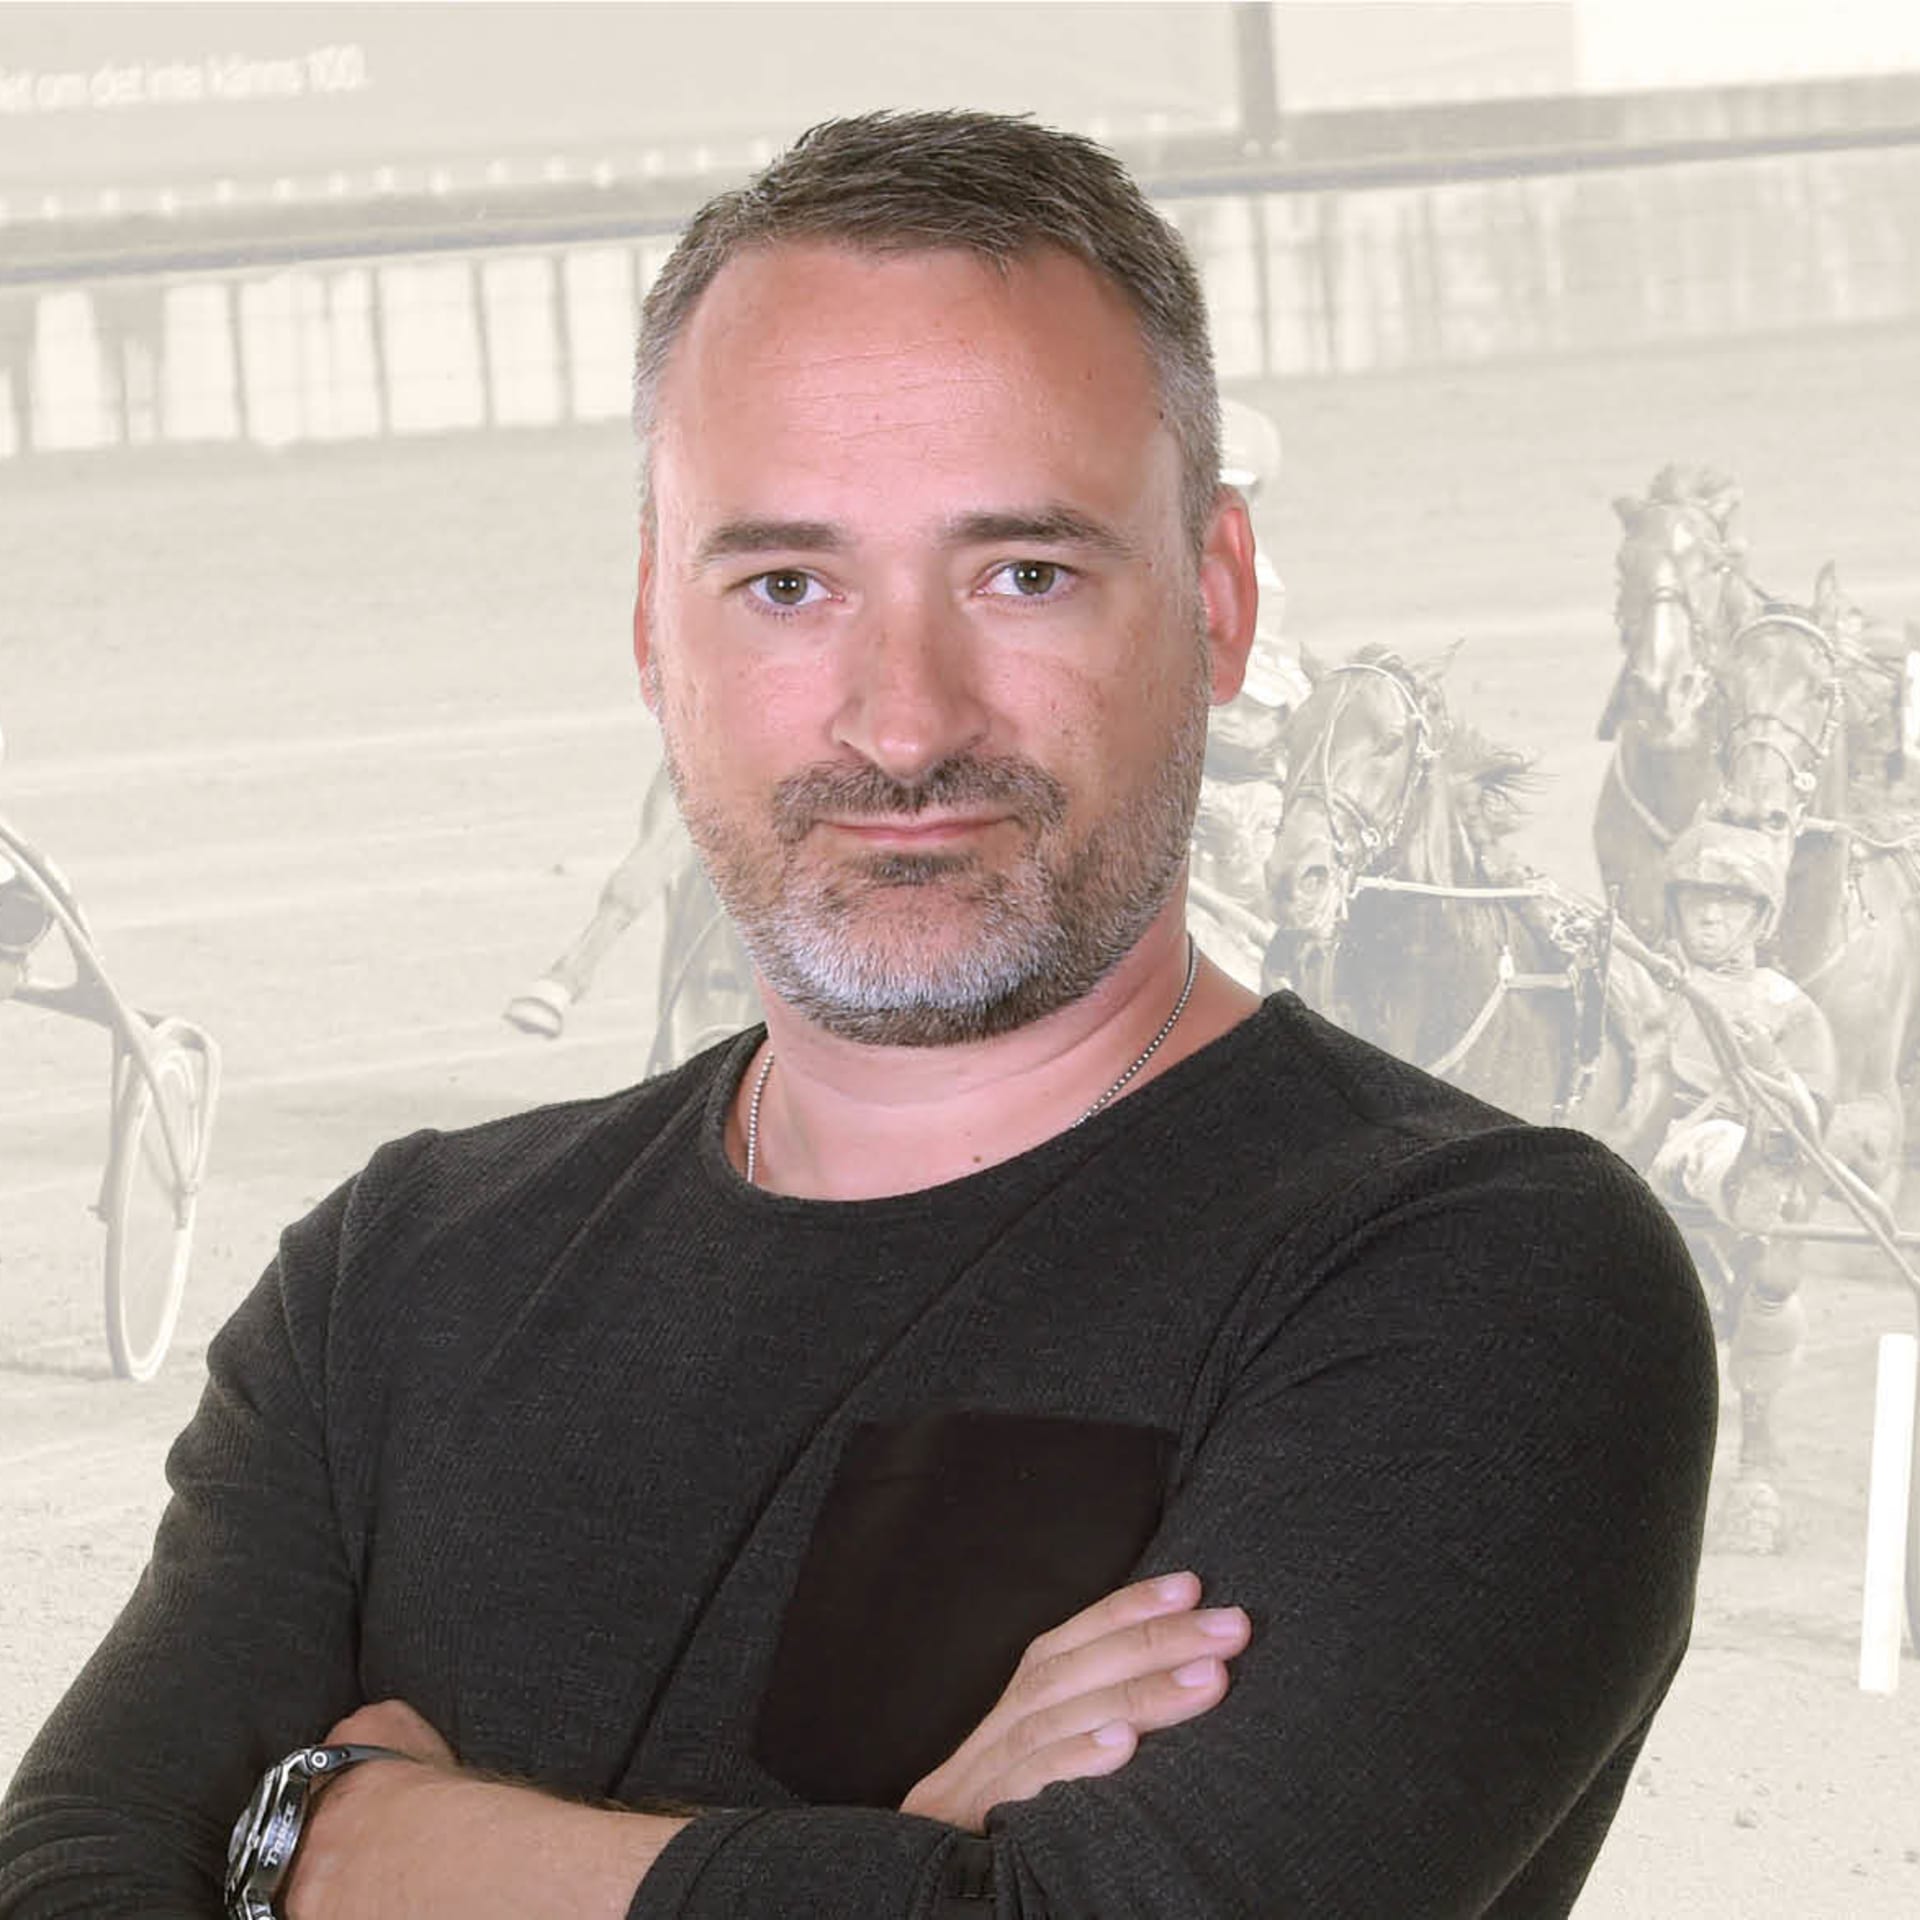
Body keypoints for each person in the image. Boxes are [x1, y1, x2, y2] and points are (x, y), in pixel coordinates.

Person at [0, 111, 1716, 1920]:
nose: (904, 724)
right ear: (654, 631)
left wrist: (354, 1852)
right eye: (788, 587)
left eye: (1024, 574)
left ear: (1216, 605)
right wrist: (908, 1864)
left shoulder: (1481, 1281)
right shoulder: (391, 1285)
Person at [1644, 818, 1836, 1551]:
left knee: (1765, 1259)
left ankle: (1757, 1471)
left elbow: (1816, 1113)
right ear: (1675, 907)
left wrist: (1773, 1075)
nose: (1710, 917)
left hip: (1731, 1155)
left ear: (1760, 917)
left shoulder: (1785, 1006)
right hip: (1642, 1142)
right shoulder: (1647, 982)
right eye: (1697, 901)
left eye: (1728, 903)